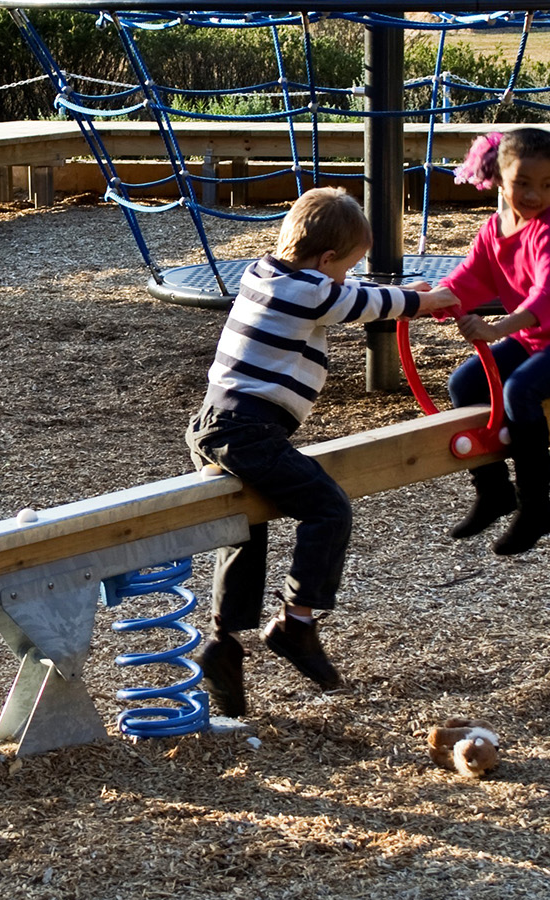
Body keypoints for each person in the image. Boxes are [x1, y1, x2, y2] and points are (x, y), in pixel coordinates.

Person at [186, 187, 460, 718]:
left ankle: (223, 644)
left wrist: (403, 289)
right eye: (345, 267)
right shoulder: (310, 291)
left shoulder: (266, 274)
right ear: (326, 259)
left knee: (245, 528)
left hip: (217, 424)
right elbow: (362, 302)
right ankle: (297, 622)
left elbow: (351, 290)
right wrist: (426, 300)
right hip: (245, 430)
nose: (346, 278)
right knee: (327, 507)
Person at [441, 127, 550, 555]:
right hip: (532, 336)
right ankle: (495, 490)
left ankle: (537, 506)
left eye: (548, 185)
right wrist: (427, 299)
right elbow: (469, 281)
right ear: (499, 178)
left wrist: (497, 328)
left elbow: (549, 295)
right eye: (523, 184)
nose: (536, 196)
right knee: (464, 384)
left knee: (520, 390)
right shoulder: (494, 230)